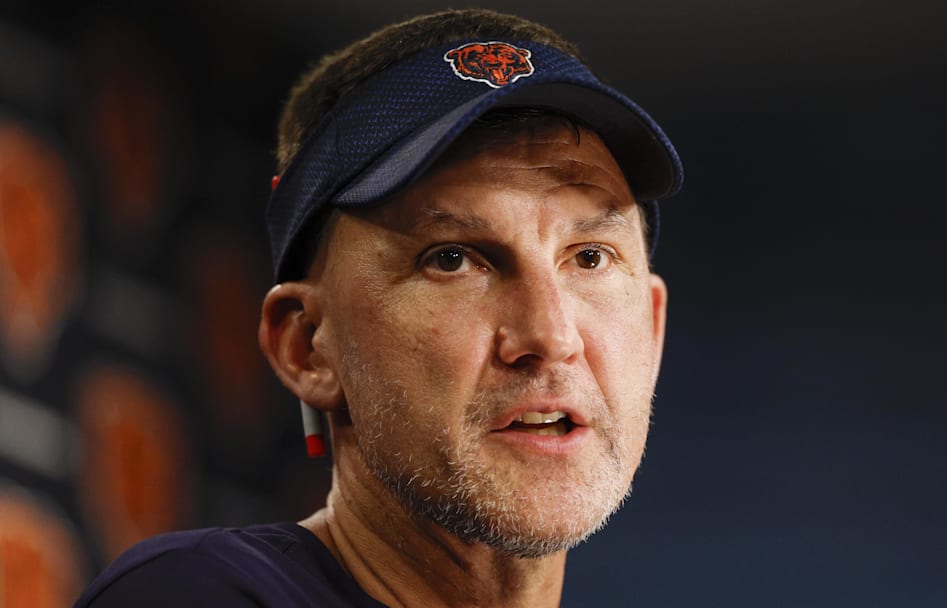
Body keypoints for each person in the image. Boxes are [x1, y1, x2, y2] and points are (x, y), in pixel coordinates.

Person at [75, 8, 682, 607]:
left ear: (652, 331)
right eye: (452, 259)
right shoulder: (194, 594)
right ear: (307, 344)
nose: (550, 335)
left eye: (591, 258)